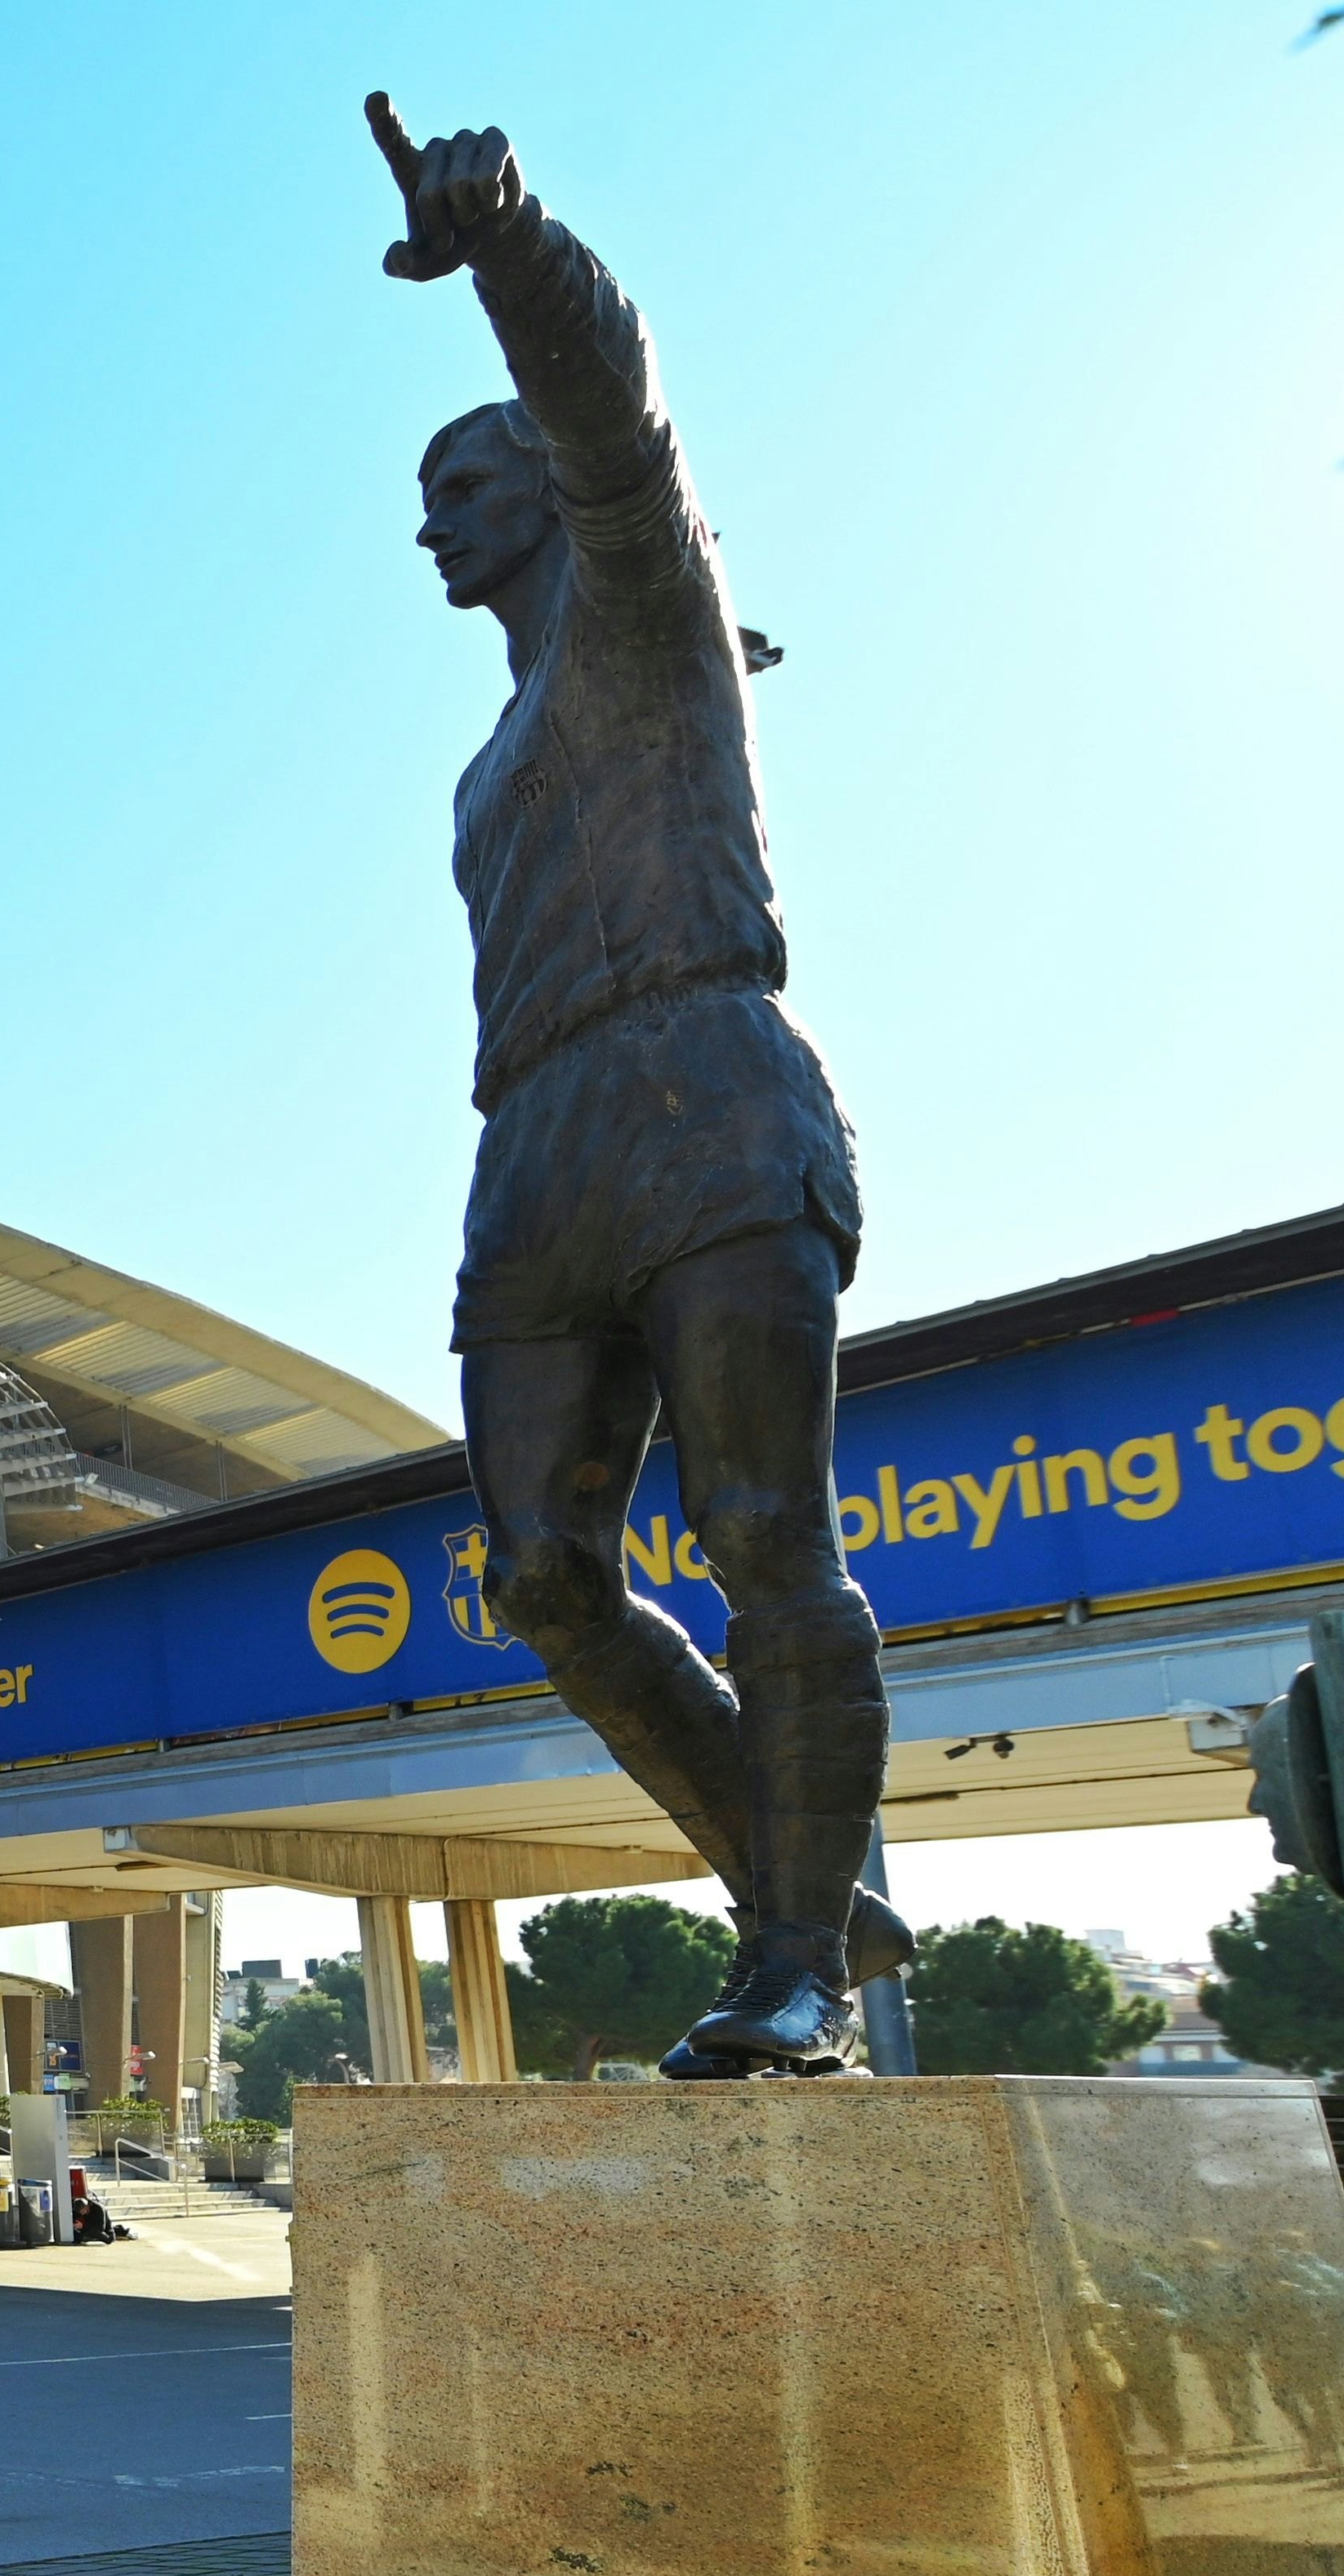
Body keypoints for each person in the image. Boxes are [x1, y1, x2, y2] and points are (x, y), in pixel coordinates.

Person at [363, 100, 915, 2074]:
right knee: (543, 1576)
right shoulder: (488, 756)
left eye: (459, 479)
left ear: (541, 479)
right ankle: (802, 1871)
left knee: (765, 1529)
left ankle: (795, 1957)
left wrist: (505, 244)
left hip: (706, 1080)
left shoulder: (646, 599)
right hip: (536, 1141)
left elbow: (618, 410)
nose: (430, 517)